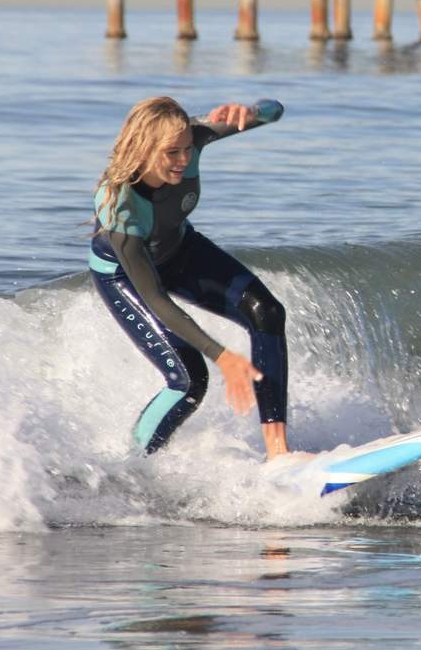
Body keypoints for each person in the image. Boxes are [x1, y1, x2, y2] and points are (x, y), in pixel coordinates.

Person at [89, 96, 292, 459]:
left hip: (181, 250)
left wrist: (251, 112)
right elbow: (154, 298)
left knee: (268, 313)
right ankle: (133, 467)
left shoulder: (194, 136)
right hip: (124, 276)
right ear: (142, 149)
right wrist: (222, 355)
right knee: (189, 381)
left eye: (186, 149)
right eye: (171, 153)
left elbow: (275, 110)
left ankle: (278, 453)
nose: (183, 160)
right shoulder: (119, 203)